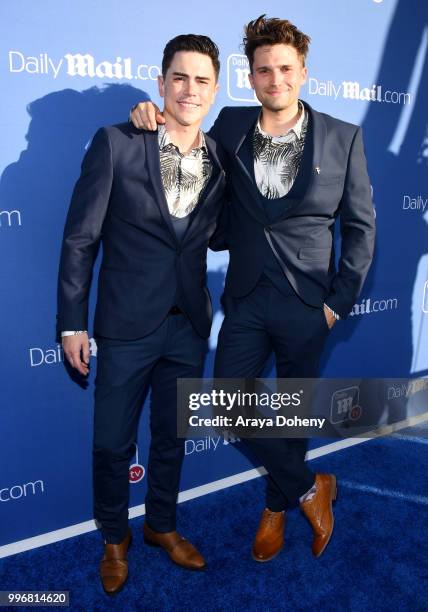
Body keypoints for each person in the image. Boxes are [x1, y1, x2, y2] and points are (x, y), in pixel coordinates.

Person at [130, 15, 375, 562]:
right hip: (245, 295)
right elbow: (185, 148)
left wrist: (336, 303)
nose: (275, 79)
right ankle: (311, 487)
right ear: (251, 75)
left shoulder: (343, 136)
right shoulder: (231, 126)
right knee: (228, 404)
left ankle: (274, 508)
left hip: (309, 302)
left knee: (289, 414)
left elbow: (361, 228)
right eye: (263, 70)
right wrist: (150, 116)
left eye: (285, 68)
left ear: (303, 72)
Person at [57, 34, 226, 595]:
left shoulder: (223, 157)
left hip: (188, 324)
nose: (189, 89)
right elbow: (81, 238)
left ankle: (161, 525)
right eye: (179, 77)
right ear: (161, 83)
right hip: (126, 326)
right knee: (111, 442)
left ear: (215, 89)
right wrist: (72, 322)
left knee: (171, 436)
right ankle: (114, 537)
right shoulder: (119, 143)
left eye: (202, 80)